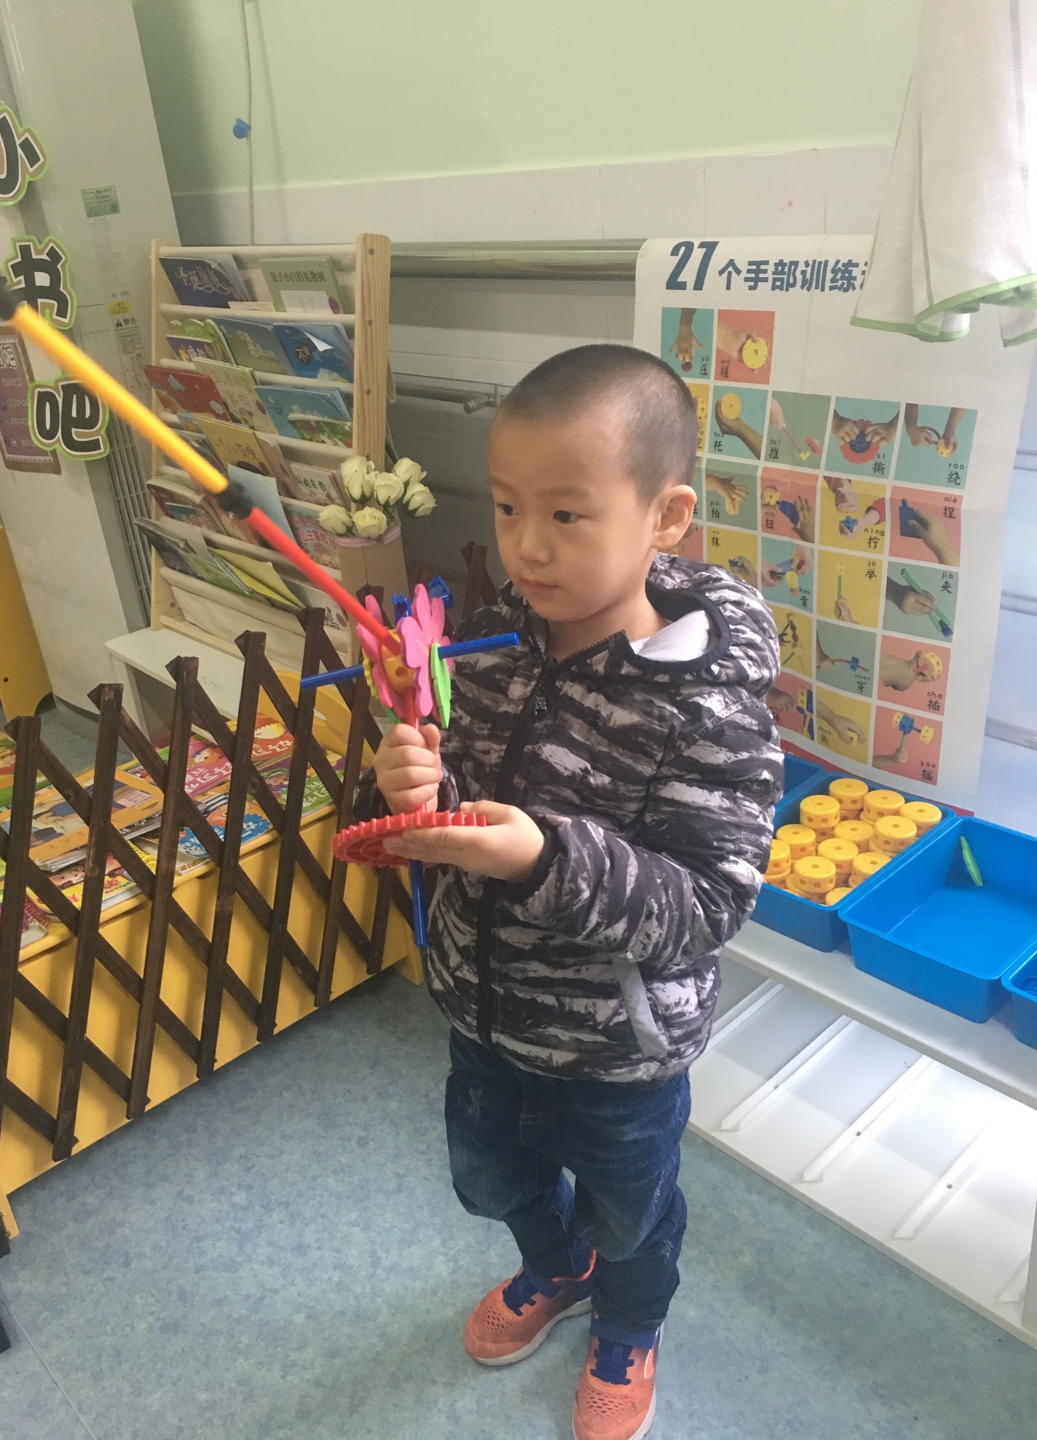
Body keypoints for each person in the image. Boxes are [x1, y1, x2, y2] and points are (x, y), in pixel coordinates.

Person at [358, 344, 783, 1440]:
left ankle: (629, 1324)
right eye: (507, 507)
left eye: (566, 514)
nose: (526, 545)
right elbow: (450, 809)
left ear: (666, 517)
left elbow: (706, 906)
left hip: (618, 1058)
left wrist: (541, 858)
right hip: (482, 1015)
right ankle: (557, 1269)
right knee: (491, 1180)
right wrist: (410, 787)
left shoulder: (710, 705)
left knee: (631, 1216)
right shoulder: (489, 648)